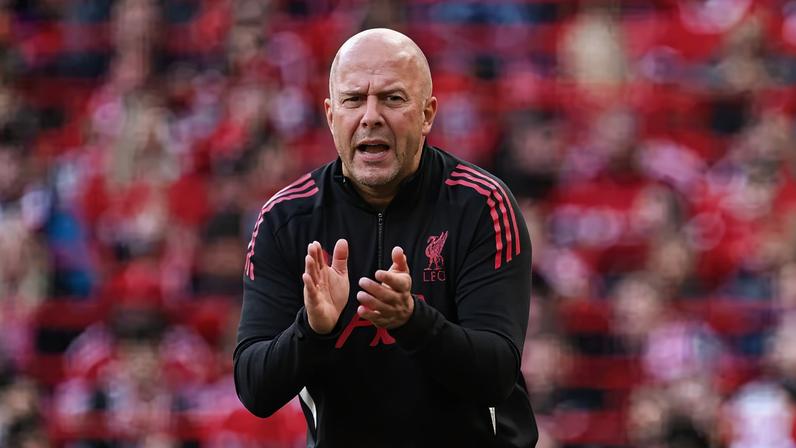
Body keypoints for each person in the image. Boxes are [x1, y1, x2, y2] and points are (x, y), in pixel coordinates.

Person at [234, 28, 537, 447]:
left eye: (392, 99)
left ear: (428, 114)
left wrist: (411, 321)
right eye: (354, 99)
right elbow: (255, 389)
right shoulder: (285, 219)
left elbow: (497, 374)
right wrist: (314, 329)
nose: (371, 116)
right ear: (330, 114)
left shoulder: (482, 205)